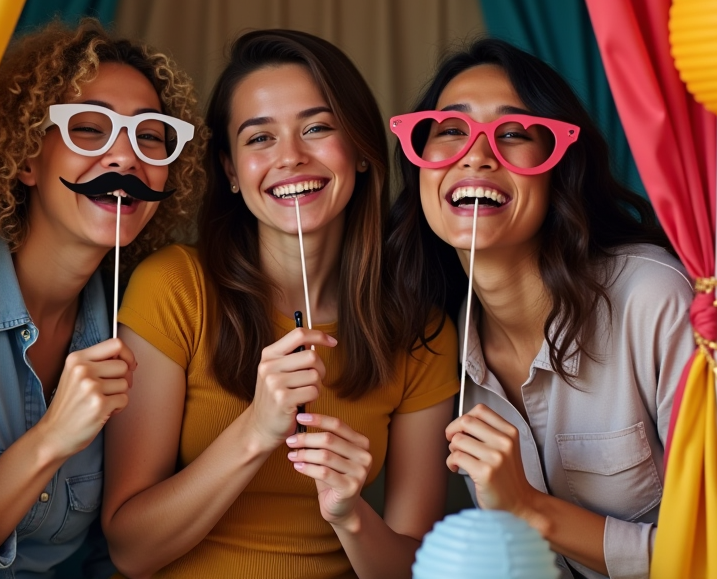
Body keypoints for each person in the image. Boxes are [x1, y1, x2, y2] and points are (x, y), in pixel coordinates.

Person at [386, 37, 717, 579]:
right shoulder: (435, 341)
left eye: (513, 133)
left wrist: (530, 508)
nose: (478, 154)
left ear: (561, 166)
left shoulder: (652, 298)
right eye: (450, 131)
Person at [101, 30, 459, 579]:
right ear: (229, 170)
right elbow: (131, 550)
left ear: (361, 150)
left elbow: (415, 569)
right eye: (259, 138)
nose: (290, 157)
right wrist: (256, 431)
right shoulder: (175, 287)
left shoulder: (419, 329)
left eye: (316, 128)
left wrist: (350, 516)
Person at [0, 19, 205, 578]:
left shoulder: (133, 322)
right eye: (89, 129)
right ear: (24, 158)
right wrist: (53, 438)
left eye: (151, 136)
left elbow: (104, 552)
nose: (125, 159)